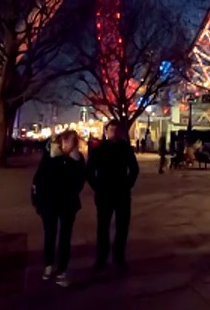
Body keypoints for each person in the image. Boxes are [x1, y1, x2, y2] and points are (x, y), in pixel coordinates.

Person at [31, 130, 86, 287]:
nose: (71, 144)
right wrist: (37, 200)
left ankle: (62, 269)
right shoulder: (51, 157)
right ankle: (49, 264)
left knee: (65, 237)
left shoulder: (78, 159)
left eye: (74, 141)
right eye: (69, 141)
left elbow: (80, 180)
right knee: (50, 234)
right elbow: (39, 177)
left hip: (68, 203)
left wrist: (71, 191)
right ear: (62, 142)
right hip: (50, 202)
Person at [87, 119, 140, 271]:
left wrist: (128, 185)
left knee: (122, 227)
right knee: (103, 227)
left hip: (122, 193)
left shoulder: (126, 149)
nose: (114, 133)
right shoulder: (99, 150)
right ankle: (101, 257)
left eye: (117, 131)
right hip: (104, 193)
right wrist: (97, 187)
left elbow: (134, 169)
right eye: (111, 130)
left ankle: (119, 257)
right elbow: (89, 171)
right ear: (106, 131)